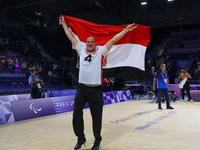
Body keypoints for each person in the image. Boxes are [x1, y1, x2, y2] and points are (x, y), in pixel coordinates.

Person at [60, 16, 137, 150]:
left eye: (92, 42)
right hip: (81, 89)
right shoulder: (81, 49)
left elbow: (113, 39)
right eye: (88, 41)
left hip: (95, 91)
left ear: (95, 44)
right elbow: (70, 36)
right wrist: (64, 24)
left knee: (97, 117)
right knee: (76, 113)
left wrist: (125, 30)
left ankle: (97, 141)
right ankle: (80, 138)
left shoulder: (101, 51)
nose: (89, 43)